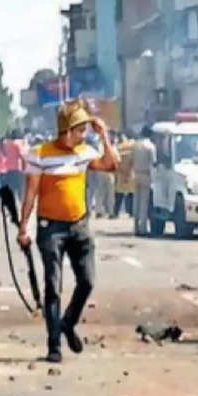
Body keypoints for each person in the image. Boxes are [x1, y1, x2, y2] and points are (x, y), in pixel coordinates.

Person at [17, 99, 120, 363]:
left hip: (79, 225)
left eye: (85, 129)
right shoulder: (41, 154)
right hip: (50, 229)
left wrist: (103, 134)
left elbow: (111, 164)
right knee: (53, 286)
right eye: (79, 129)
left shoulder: (85, 152)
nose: (83, 134)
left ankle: (67, 322)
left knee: (87, 281)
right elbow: (31, 193)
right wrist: (23, 228)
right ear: (66, 130)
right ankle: (54, 346)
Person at [132, 128, 156, 235]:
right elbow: (153, 162)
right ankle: (143, 229)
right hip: (146, 175)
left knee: (136, 201)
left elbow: (131, 159)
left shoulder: (135, 145)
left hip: (136, 173)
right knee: (144, 203)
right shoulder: (150, 146)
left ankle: (135, 227)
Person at [114, 134, 135, 217]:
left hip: (121, 173)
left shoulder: (118, 148)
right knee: (131, 194)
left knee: (119, 194)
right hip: (130, 173)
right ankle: (131, 212)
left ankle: (116, 212)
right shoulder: (132, 146)